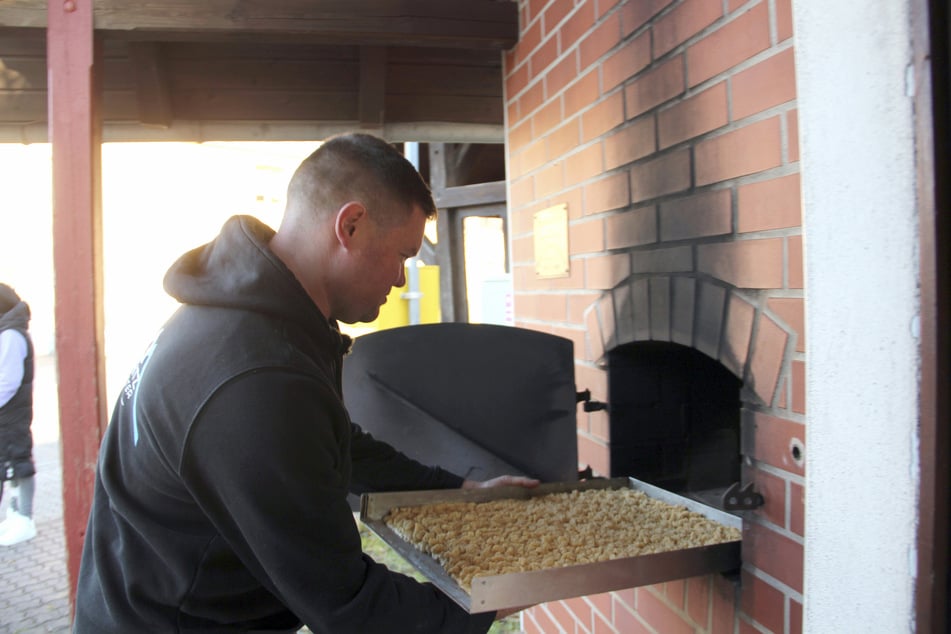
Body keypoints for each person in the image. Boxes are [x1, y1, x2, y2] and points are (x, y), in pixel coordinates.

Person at [73, 133, 538, 633]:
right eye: (402, 255)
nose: (402, 280)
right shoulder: (256, 380)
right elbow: (349, 607)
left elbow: (330, 445)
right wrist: (488, 599)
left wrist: (460, 491)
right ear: (352, 225)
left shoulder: (244, 319)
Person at [0, 283, 37, 547]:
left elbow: (8, 381)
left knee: (17, 462)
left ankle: (24, 519)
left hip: (10, 412)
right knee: (10, 462)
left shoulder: (10, 336)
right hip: (8, 412)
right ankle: (15, 515)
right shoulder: (8, 333)